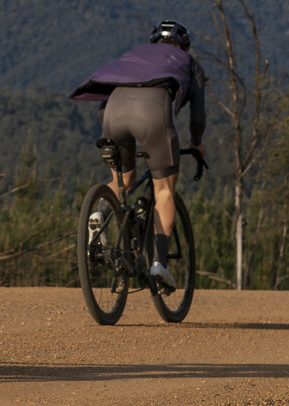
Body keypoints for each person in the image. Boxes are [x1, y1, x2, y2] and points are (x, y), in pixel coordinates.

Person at [69, 20, 207, 283]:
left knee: (124, 180)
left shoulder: (132, 56)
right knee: (164, 191)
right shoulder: (190, 63)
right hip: (153, 115)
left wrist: (117, 141)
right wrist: (198, 143)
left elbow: (102, 106)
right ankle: (158, 264)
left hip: (112, 114)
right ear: (184, 46)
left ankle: (100, 213)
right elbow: (198, 116)